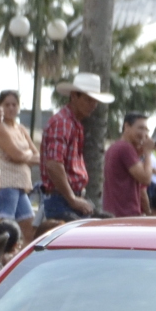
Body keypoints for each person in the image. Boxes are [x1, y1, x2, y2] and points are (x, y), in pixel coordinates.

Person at [40, 73, 111, 223]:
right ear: (74, 96)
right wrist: (71, 198)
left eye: (95, 101)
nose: (92, 105)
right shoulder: (63, 123)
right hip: (62, 199)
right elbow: (53, 164)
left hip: (68, 198)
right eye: (88, 100)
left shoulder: (73, 123)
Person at [0, 88, 37, 225]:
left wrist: (24, 156)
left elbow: (37, 155)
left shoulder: (20, 128)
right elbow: (17, 154)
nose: (10, 108)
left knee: (29, 227)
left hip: (21, 184)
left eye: (14, 104)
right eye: (6, 104)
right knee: (5, 226)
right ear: (0, 107)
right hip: (6, 183)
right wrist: (24, 155)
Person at [103, 110, 152, 217]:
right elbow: (146, 179)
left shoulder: (114, 147)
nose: (144, 133)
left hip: (113, 212)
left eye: (146, 130)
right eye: (140, 128)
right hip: (126, 214)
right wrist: (148, 153)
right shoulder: (125, 148)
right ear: (127, 127)